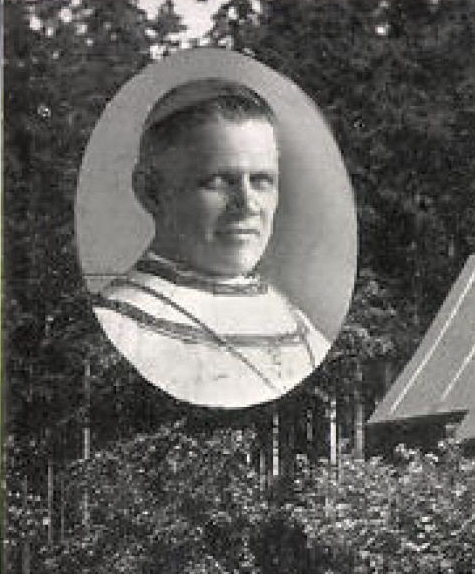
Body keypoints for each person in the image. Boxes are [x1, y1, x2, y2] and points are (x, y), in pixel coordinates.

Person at [93, 79, 329, 409]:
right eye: (218, 181)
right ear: (151, 192)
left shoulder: (302, 329)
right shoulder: (119, 326)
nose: (247, 204)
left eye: (261, 181)